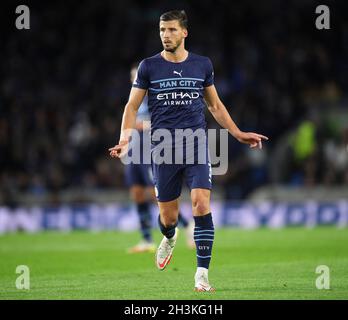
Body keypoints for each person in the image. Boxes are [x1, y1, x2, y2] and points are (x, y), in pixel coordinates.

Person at [109, 10, 268, 292]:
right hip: (163, 148)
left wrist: (238, 133)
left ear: (184, 32)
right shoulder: (148, 67)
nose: (165, 35)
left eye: (171, 30)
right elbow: (131, 107)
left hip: (195, 143)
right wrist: (125, 138)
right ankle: (169, 236)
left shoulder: (202, 65)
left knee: (201, 205)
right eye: (162, 30)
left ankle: (202, 274)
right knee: (168, 217)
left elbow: (215, 106)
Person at [125, 64, 195, 253]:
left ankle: (187, 225)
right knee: (137, 193)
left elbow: (165, 120)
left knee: (160, 197)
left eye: (137, 77)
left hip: (152, 150)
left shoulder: (158, 96)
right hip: (134, 150)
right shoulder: (134, 100)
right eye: (133, 77)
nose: (135, 80)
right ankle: (147, 239)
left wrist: (144, 125)